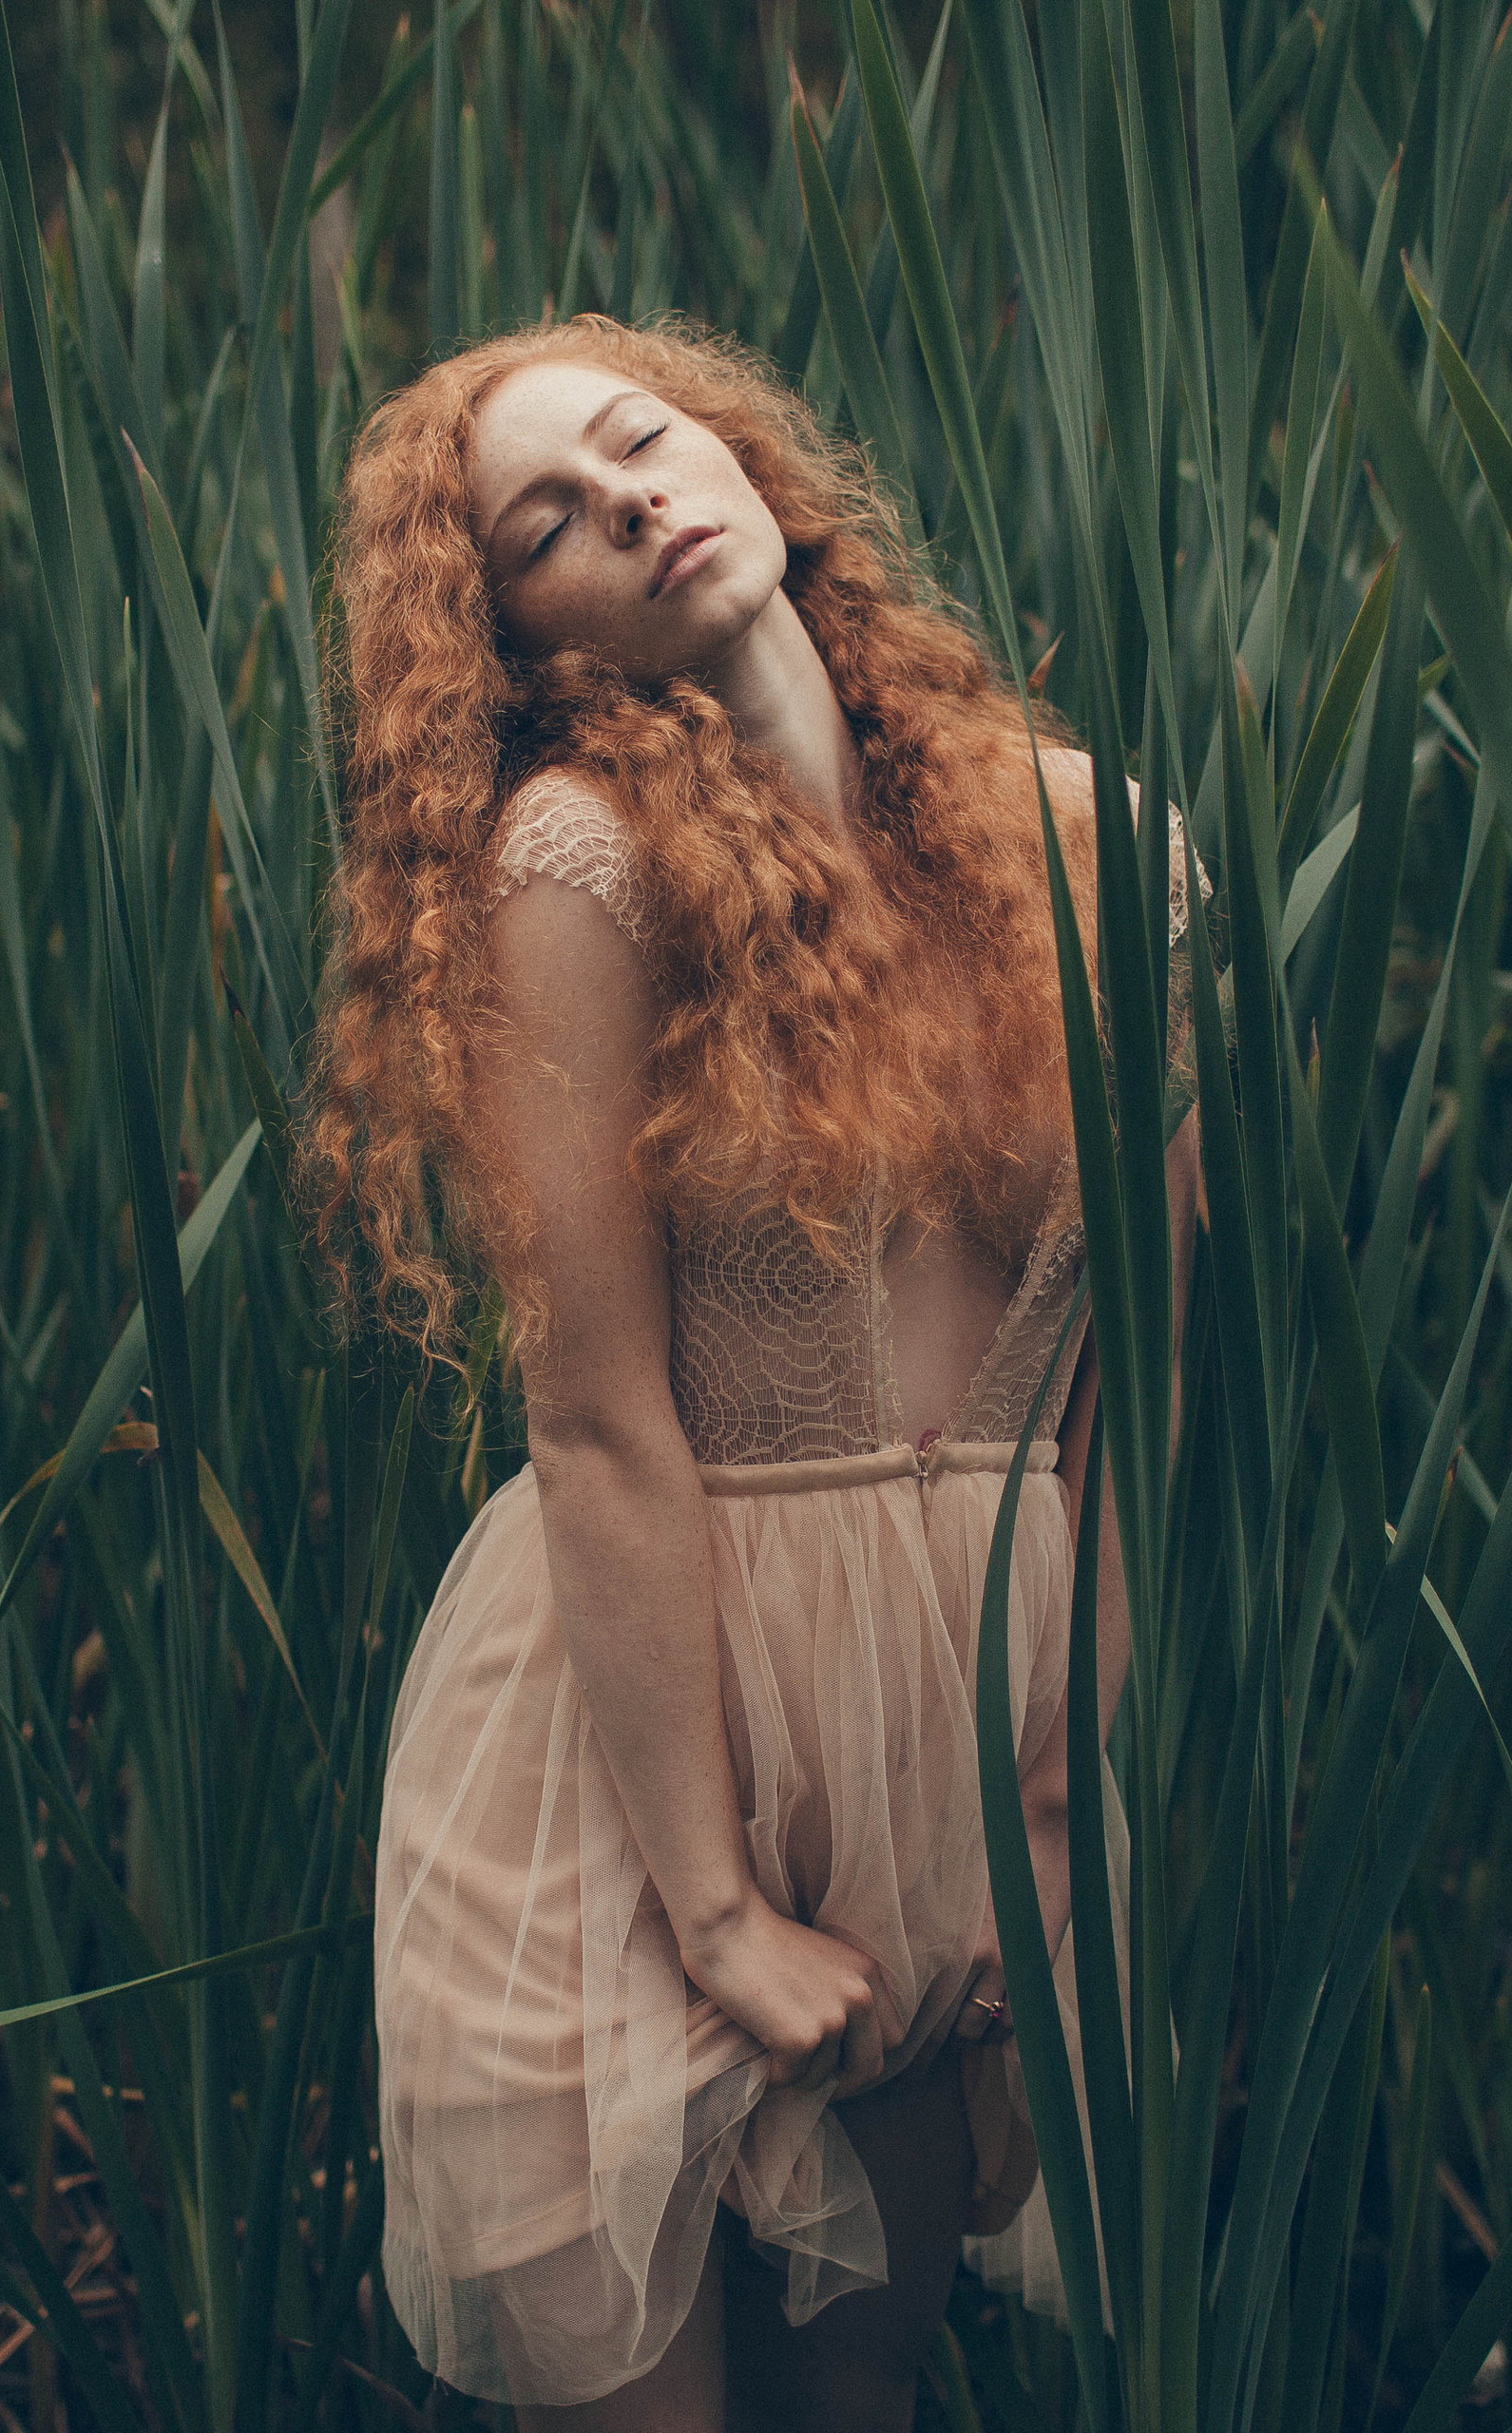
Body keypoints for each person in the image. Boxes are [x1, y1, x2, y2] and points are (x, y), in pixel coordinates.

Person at [305, 315, 1204, 2430]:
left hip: (951, 1741)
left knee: (861, 2379)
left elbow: (1139, 1378)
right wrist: (711, 1909)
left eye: (635, 437)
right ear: (525, 639)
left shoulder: (1086, 844)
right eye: (549, 519)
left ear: (732, 453)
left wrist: (1063, 1771)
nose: (625, 493)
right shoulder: (575, 865)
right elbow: (597, 1415)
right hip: (637, 1758)